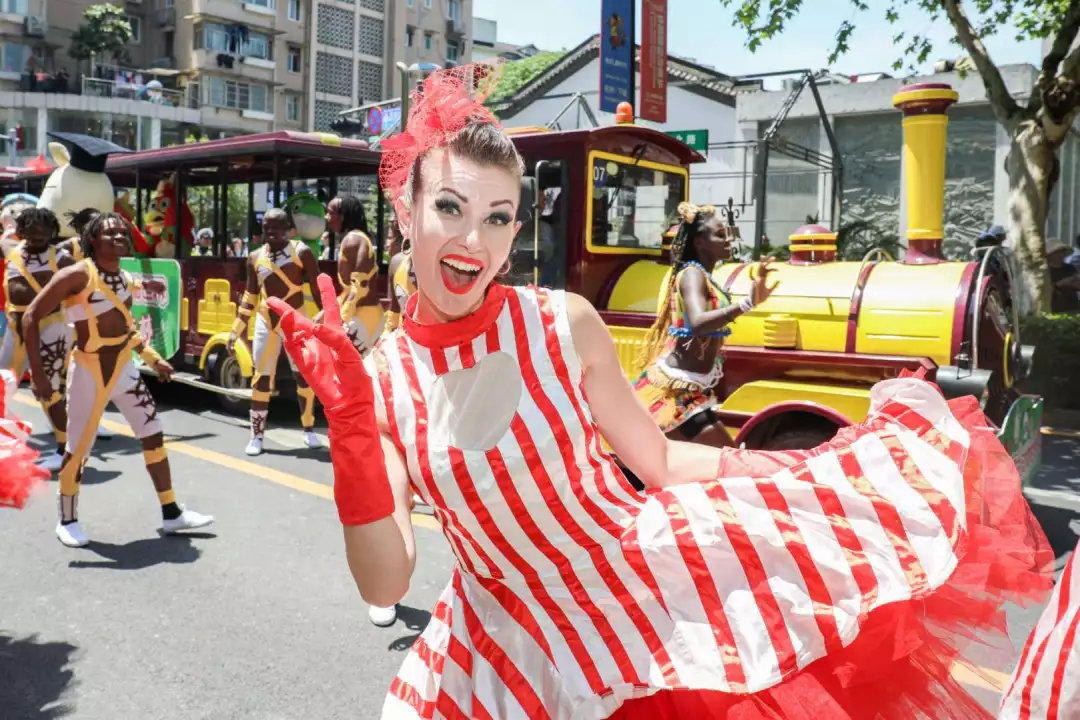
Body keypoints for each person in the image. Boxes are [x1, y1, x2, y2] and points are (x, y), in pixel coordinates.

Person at [268, 64, 1051, 719]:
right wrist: (351, 424)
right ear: (405, 214)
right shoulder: (383, 382)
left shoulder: (563, 322)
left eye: (498, 218)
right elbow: (386, 580)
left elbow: (661, 462)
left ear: (514, 235)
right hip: (503, 655)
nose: (473, 240)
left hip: (637, 601)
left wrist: (796, 474)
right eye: (449, 207)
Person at [22, 213, 212, 547]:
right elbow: (30, 316)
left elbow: (126, 328)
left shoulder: (125, 277)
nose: (120, 237)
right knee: (78, 449)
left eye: (123, 232)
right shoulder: (77, 274)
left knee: (153, 434)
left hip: (125, 367)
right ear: (93, 240)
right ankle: (67, 519)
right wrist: (38, 375)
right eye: (110, 233)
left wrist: (151, 358)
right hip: (88, 369)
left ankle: (171, 512)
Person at [633, 203, 774, 448]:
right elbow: (698, 323)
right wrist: (747, 303)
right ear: (699, 242)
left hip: (694, 387)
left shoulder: (705, 276)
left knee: (702, 459)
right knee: (724, 457)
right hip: (677, 391)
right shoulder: (692, 274)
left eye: (727, 234)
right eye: (719, 235)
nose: (728, 239)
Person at [229, 208, 322, 457]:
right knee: (261, 378)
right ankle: (256, 436)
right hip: (265, 322)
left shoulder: (301, 252)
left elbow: (317, 288)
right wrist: (236, 330)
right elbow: (250, 296)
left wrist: (329, 317)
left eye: (276, 227)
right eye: (266, 227)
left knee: (303, 375)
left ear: (288, 229)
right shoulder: (254, 257)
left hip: (295, 321)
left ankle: (309, 429)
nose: (270, 231)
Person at [0, 208, 74, 470]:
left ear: (52, 232)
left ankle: (65, 451)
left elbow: (82, 292)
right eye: (31, 231)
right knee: (2, 385)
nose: (37, 235)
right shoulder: (9, 250)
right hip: (15, 331)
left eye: (43, 231)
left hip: (51, 330)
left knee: (48, 391)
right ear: (21, 231)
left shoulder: (62, 259)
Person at [326, 196, 384, 354]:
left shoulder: (353, 240)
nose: (327, 217)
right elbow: (350, 290)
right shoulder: (354, 239)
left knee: (347, 366)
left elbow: (359, 288)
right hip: (360, 315)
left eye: (330, 213)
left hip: (362, 318)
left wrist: (341, 317)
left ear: (343, 216)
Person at [384, 222, 416, 332]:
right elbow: (394, 311)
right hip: (403, 337)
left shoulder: (442, 264)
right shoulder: (396, 263)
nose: (387, 244)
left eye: (389, 238)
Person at [1047, 237, 1080, 313]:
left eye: (1062, 252)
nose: (1060, 255)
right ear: (1050, 255)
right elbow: (1045, 290)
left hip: (1072, 306)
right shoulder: (1045, 271)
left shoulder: (1070, 268)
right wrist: (1060, 284)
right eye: (1057, 253)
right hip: (1054, 306)